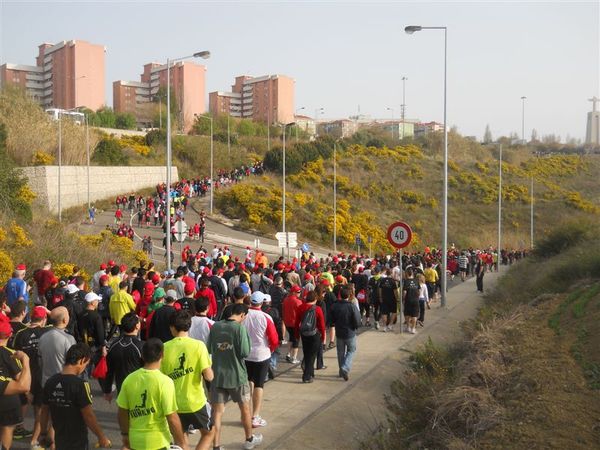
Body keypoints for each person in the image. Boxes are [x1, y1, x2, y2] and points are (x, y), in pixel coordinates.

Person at [207, 303, 262, 450]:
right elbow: (244, 352)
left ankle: (216, 445)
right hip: (237, 375)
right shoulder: (239, 328)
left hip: (218, 375)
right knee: (245, 408)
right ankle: (249, 439)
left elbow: (209, 348)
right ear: (242, 315)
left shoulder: (215, 326)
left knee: (217, 412)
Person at [117, 338, 185, 450]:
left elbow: (122, 412)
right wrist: (182, 442)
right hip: (159, 442)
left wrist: (125, 434)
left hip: (136, 442)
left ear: (142, 356)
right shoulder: (165, 382)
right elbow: (172, 417)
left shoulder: (129, 379)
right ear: (162, 355)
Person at [40, 343, 111, 450]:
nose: (85, 367)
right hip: (78, 441)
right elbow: (88, 415)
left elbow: (44, 410)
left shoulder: (50, 382)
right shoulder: (81, 385)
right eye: (86, 364)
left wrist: (43, 433)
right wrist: (101, 437)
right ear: (82, 360)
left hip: (60, 439)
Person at [161, 310, 214, 450]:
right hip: (195, 402)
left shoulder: (164, 348)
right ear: (189, 326)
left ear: (172, 327)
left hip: (173, 404)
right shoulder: (198, 346)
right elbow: (209, 376)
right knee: (209, 433)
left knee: (182, 441)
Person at [12, 306, 50, 447]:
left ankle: (18, 431)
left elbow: (14, 358)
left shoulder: (21, 334)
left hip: (24, 377)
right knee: (39, 411)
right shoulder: (48, 331)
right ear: (44, 319)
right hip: (41, 376)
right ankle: (34, 440)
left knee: (22, 406)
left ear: (31, 317)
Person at [243, 292, 279, 428]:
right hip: (261, 354)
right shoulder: (266, 317)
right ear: (262, 303)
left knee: (248, 383)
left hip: (246, 354)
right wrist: (271, 349)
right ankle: (255, 416)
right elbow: (274, 338)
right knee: (259, 384)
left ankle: (246, 414)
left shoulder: (244, 315)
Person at [0, 313, 31, 450]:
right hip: (7, 399)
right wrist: (25, 361)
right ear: (9, 335)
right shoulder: (10, 354)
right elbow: (22, 382)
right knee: (7, 428)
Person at [103, 312, 143, 401]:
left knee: (123, 412)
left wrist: (107, 390)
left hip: (121, 387)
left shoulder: (114, 345)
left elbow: (109, 371)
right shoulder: (140, 346)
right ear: (137, 326)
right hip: (139, 388)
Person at [329, 286, 361, 381]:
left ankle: (341, 371)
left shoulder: (335, 305)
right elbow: (357, 319)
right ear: (348, 295)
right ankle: (345, 367)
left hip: (339, 332)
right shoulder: (351, 306)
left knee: (340, 352)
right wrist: (356, 327)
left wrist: (333, 324)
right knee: (351, 350)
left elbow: (331, 319)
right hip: (350, 332)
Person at [38, 306, 76, 386]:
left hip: (46, 382)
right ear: (65, 320)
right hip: (63, 384)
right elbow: (73, 365)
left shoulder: (43, 337)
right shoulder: (69, 339)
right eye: (68, 315)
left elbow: (40, 361)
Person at [295, 291, 326, 383]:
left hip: (304, 334)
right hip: (314, 334)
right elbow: (322, 325)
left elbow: (297, 323)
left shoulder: (300, 307)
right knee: (312, 356)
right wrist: (323, 336)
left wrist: (297, 335)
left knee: (307, 353)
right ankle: (306, 376)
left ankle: (311, 373)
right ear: (315, 299)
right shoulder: (318, 309)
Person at [282, 285, 303, 364]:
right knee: (296, 341)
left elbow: (283, 311)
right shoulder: (298, 302)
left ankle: (288, 354)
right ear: (293, 292)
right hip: (295, 324)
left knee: (291, 338)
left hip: (287, 323)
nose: (299, 293)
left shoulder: (285, 300)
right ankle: (294, 357)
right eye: (298, 292)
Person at [403, 268, 421, 334]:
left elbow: (404, 292)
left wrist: (403, 299)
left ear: (407, 273)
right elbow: (419, 291)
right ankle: (413, 328)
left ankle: (408, 327)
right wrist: (417, 297)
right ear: (412, 273)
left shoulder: (406, 281)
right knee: (415, 315)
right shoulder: (416, 281)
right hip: (415, 299)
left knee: (407, 313)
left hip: (408, 299)